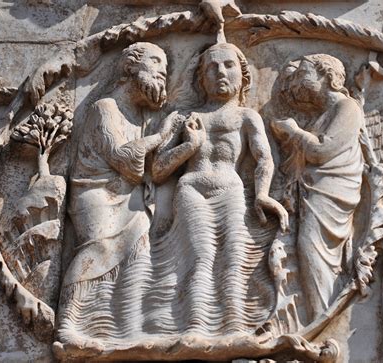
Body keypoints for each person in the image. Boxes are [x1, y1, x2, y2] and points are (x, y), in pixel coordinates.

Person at [148, 42, 288, 338]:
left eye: (228, 65)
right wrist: (189, 145)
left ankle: (236, 327)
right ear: (200, 78)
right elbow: (158, 170)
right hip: (192, 190)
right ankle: (196, 326)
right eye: (211, 67)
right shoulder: (183, 118)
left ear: (242, 74)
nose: (220, 72)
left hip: (230, 191)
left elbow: (264, 158)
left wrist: (262, 194)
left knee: (234, 258)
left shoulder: (246, 117)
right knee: (199, 257)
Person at [54, 42, 170, 353]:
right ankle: (66, 326)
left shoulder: (141, 117)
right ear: (130, 66)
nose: (163, 71)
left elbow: (144, 169)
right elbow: (125, 160)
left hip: (129, 197)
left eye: (166, 67)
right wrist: (162, 137)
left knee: (138, 256)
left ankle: (122, 327)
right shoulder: (104, 107)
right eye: (156, 61)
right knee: (99, 249)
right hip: (95, 193)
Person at [271, 54, 364, 321]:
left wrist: (293, 131)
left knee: (314, 249)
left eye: (302, 74)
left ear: (327, 76)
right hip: (315, 192)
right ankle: (320, 316)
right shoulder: (323, 116)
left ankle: (322, 319)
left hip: (332, 194)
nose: (297, 82)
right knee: (308, 249)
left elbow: (322, 150)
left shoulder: (348, 108)